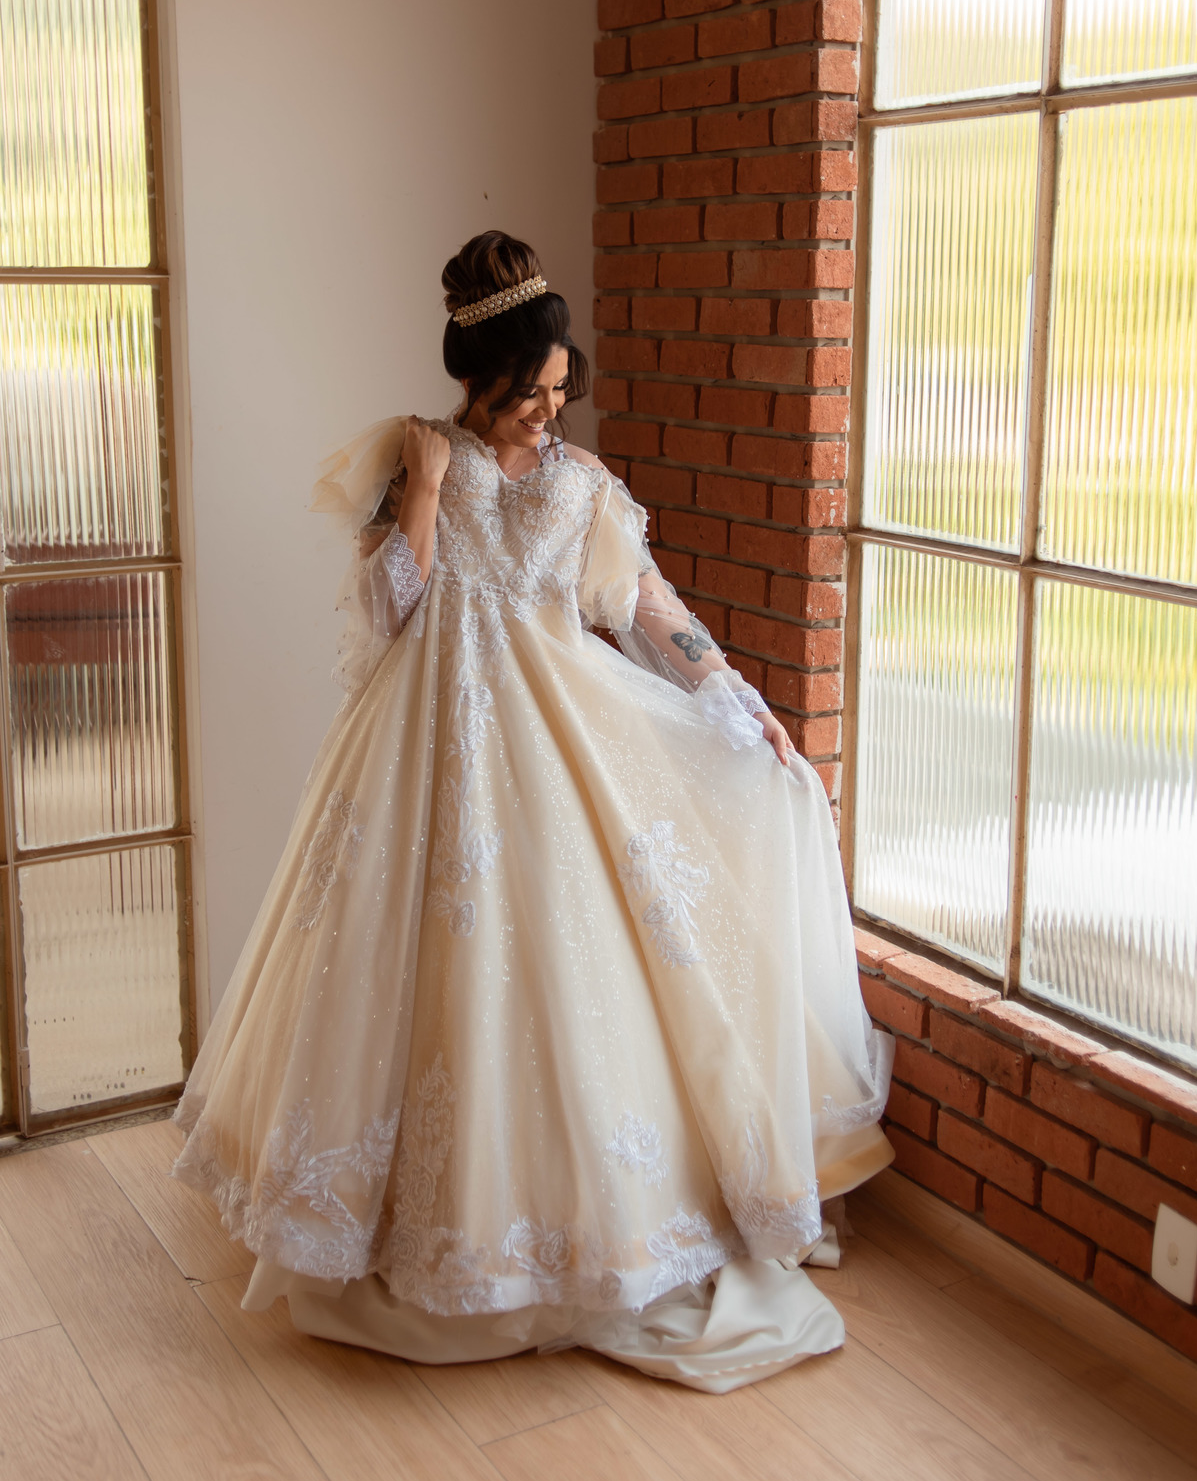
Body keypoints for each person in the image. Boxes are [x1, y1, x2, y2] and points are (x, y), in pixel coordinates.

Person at [173, 230, 893, 1392]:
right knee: (418, 984)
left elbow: (647, 608)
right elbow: (383, 618)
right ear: (479, 374)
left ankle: (595, 1231)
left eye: (561, 392)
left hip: (563, 749)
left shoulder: (582, 485)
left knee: (583, 976)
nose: (546, 414)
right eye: (529, 392)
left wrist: (735, 693)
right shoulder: (419, 461)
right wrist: (425, 489)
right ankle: (423, 1236)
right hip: (425, 749)